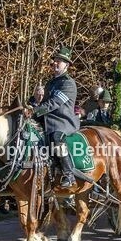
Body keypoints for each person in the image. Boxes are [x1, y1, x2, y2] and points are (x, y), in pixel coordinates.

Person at [24, 46, 81, 188]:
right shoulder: (50, 83)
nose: (55, 63)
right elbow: (43, 103)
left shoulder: (68, 83)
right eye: (54, 61)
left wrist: (35, 111)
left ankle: (69, 174)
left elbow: (54, 103)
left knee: (56, 138)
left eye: (59, 61)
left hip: (62, 121)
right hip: (46, 121)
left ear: (66, 65)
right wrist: (31, 108)